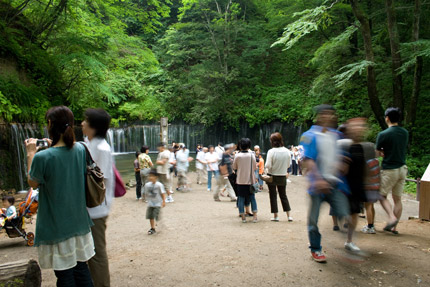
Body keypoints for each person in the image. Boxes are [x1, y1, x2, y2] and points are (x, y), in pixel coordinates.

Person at [26, 106, 94, 286]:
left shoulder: (43, 157)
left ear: (50, 124)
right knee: (81, 269)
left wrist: (31, 153)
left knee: (64, 276)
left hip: (57, 225)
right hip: (79, 222)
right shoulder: (80, 149)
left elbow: (33, 182)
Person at [300, 105, 350, 263]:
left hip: (335, 184)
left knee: (345, 214)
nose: (329, 117)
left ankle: (349, 242)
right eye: (326, 114)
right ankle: (315, 249)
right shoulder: (309, 135)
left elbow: (343, 156)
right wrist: (318, 179)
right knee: (313, 220)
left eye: (331, 114)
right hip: (317, 186)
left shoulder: (337, 135)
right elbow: (308, 159)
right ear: (319, 116)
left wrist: (344, 163)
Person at [82, 108, 115, 287]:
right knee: (90, 253)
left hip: (97, 208)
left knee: (97, 253)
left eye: (85, 120)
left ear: (94, 126)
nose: (82, 123)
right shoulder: (89, 143)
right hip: (89, 208)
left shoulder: (102, 148)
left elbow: (99, 178)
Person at [376, 107, 408, 234]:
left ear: (387, 118)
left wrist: (382, 151)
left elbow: (378, 152)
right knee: (397, 199)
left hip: (390, 169)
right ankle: (394, 227)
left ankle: (391, 217)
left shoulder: (383, 134)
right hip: (402, 168)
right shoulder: (405, 132)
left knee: (381, 195)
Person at [265, 132, 293, 222]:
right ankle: (289, 215)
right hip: (282, 175)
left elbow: (268, 165)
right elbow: (289, 165)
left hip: (272, 175)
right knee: (283, 195)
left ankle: (276, 215)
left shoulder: (271, 151)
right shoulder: (287, 151)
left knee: (273, 196)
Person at [232, 138, 258, 223]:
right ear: (249, 146)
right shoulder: (252, 155)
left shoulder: (237, 156)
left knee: (241, 198)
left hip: (240, 180)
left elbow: (234, 167)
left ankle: (243, 217)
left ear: (240, 146)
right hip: (250, 180)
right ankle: (255, 217)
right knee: (252, 198)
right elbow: (255, 167)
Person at [144, 169, 166, 235]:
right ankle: (152, 228)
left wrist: (163, 201)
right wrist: (144, 198)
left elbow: (162, 193)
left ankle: (159, 225)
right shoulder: (147, 185)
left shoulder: (159, 185)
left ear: (156, 177)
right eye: (149, 176)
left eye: (152, 176)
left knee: (156, 216)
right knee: (150, 216)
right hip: (150, 203)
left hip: (157, 203)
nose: (150, 177)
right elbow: (146, 193)